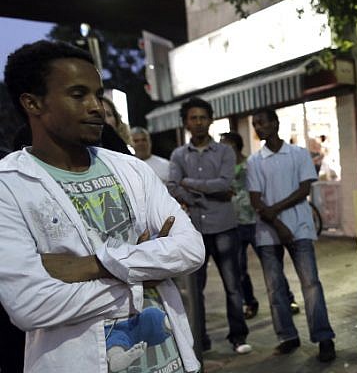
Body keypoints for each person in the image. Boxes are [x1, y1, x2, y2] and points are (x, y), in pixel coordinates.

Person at [0, 40, 205, 373]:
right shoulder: (9, 185)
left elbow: (191, 249)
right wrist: (147, 271)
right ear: (32, 103)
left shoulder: (132, 169)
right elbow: (31, 305)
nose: (96, 106)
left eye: (98, 94)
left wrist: (95, 265)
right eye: (79, 95)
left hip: (171, 360)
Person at [246, 108, 336, 362]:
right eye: (256, 124)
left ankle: (323, 337)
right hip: (267, 232)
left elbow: (304, 189)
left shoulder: (298, 154)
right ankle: (287, 336)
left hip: (299, 227)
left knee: (311, 284)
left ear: (276, 123)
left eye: (263, 122)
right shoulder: (255, 161)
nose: (259, 127)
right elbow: (255, 198)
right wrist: (277, 222)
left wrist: (274, 212)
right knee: (275, 288)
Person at [167, 97, 252, 354]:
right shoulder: (178, 154)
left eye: (203, 117)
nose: (199, 122)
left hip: (225, 226)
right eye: (193, 118)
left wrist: (189, 185)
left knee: (232, 285)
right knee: (195, 290)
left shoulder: (225, 152)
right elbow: (172, 186)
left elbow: (225, 184)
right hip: (194, 230)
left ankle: (238, 337)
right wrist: (202, 195)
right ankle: (200, 340)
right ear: (186, 122)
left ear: (210, 120)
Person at [219, 131, 301, 320]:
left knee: (271, 265)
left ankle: (288, 299)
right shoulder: (223, 170)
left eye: (228, 145)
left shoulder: (251, 163)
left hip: (256, 221)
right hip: (235, 222)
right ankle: (250, 302)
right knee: (239, 269)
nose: (224, 150)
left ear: (237, 145)